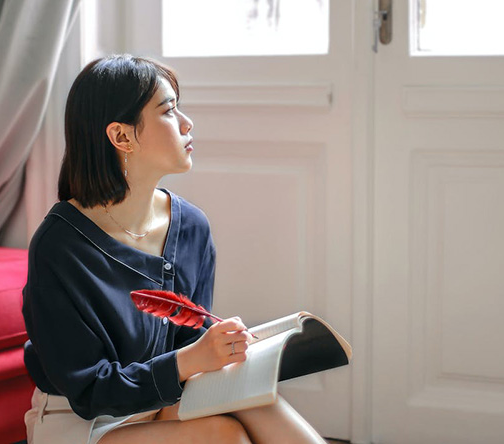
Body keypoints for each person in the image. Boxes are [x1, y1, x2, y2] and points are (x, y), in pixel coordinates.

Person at [22, 54, 327, 444]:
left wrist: (225, 350)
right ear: (122, 137)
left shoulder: (191, 226)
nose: (187, 123)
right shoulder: (60, 247)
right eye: (168, 111)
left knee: (254, 400)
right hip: (83, 421)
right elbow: (88, 391)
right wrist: (193, 359)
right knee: (224, 436)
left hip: (159, 399)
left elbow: (188, 343)